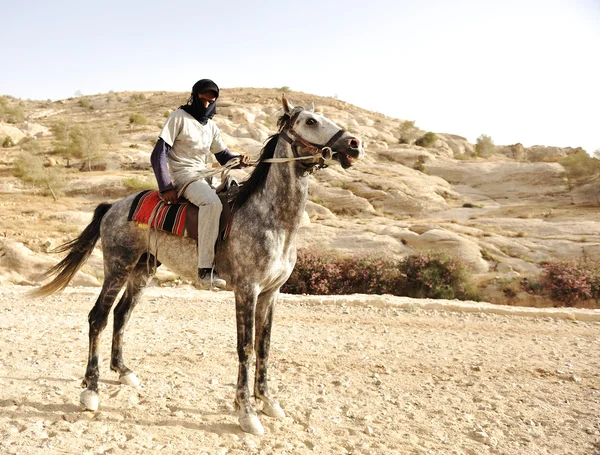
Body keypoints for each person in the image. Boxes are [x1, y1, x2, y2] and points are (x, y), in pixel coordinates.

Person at [150, 79, 248, 288]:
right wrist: (166, 187)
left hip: (206, 176)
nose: (205, 105)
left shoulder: (211, 126)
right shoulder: (179, 117)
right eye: (202, 100)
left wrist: (239, 160)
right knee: (211, 204)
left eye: (210, 101)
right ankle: (205, 270)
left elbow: (223, 156)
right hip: (185, 176)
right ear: (194, 96)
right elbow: (158, 153)